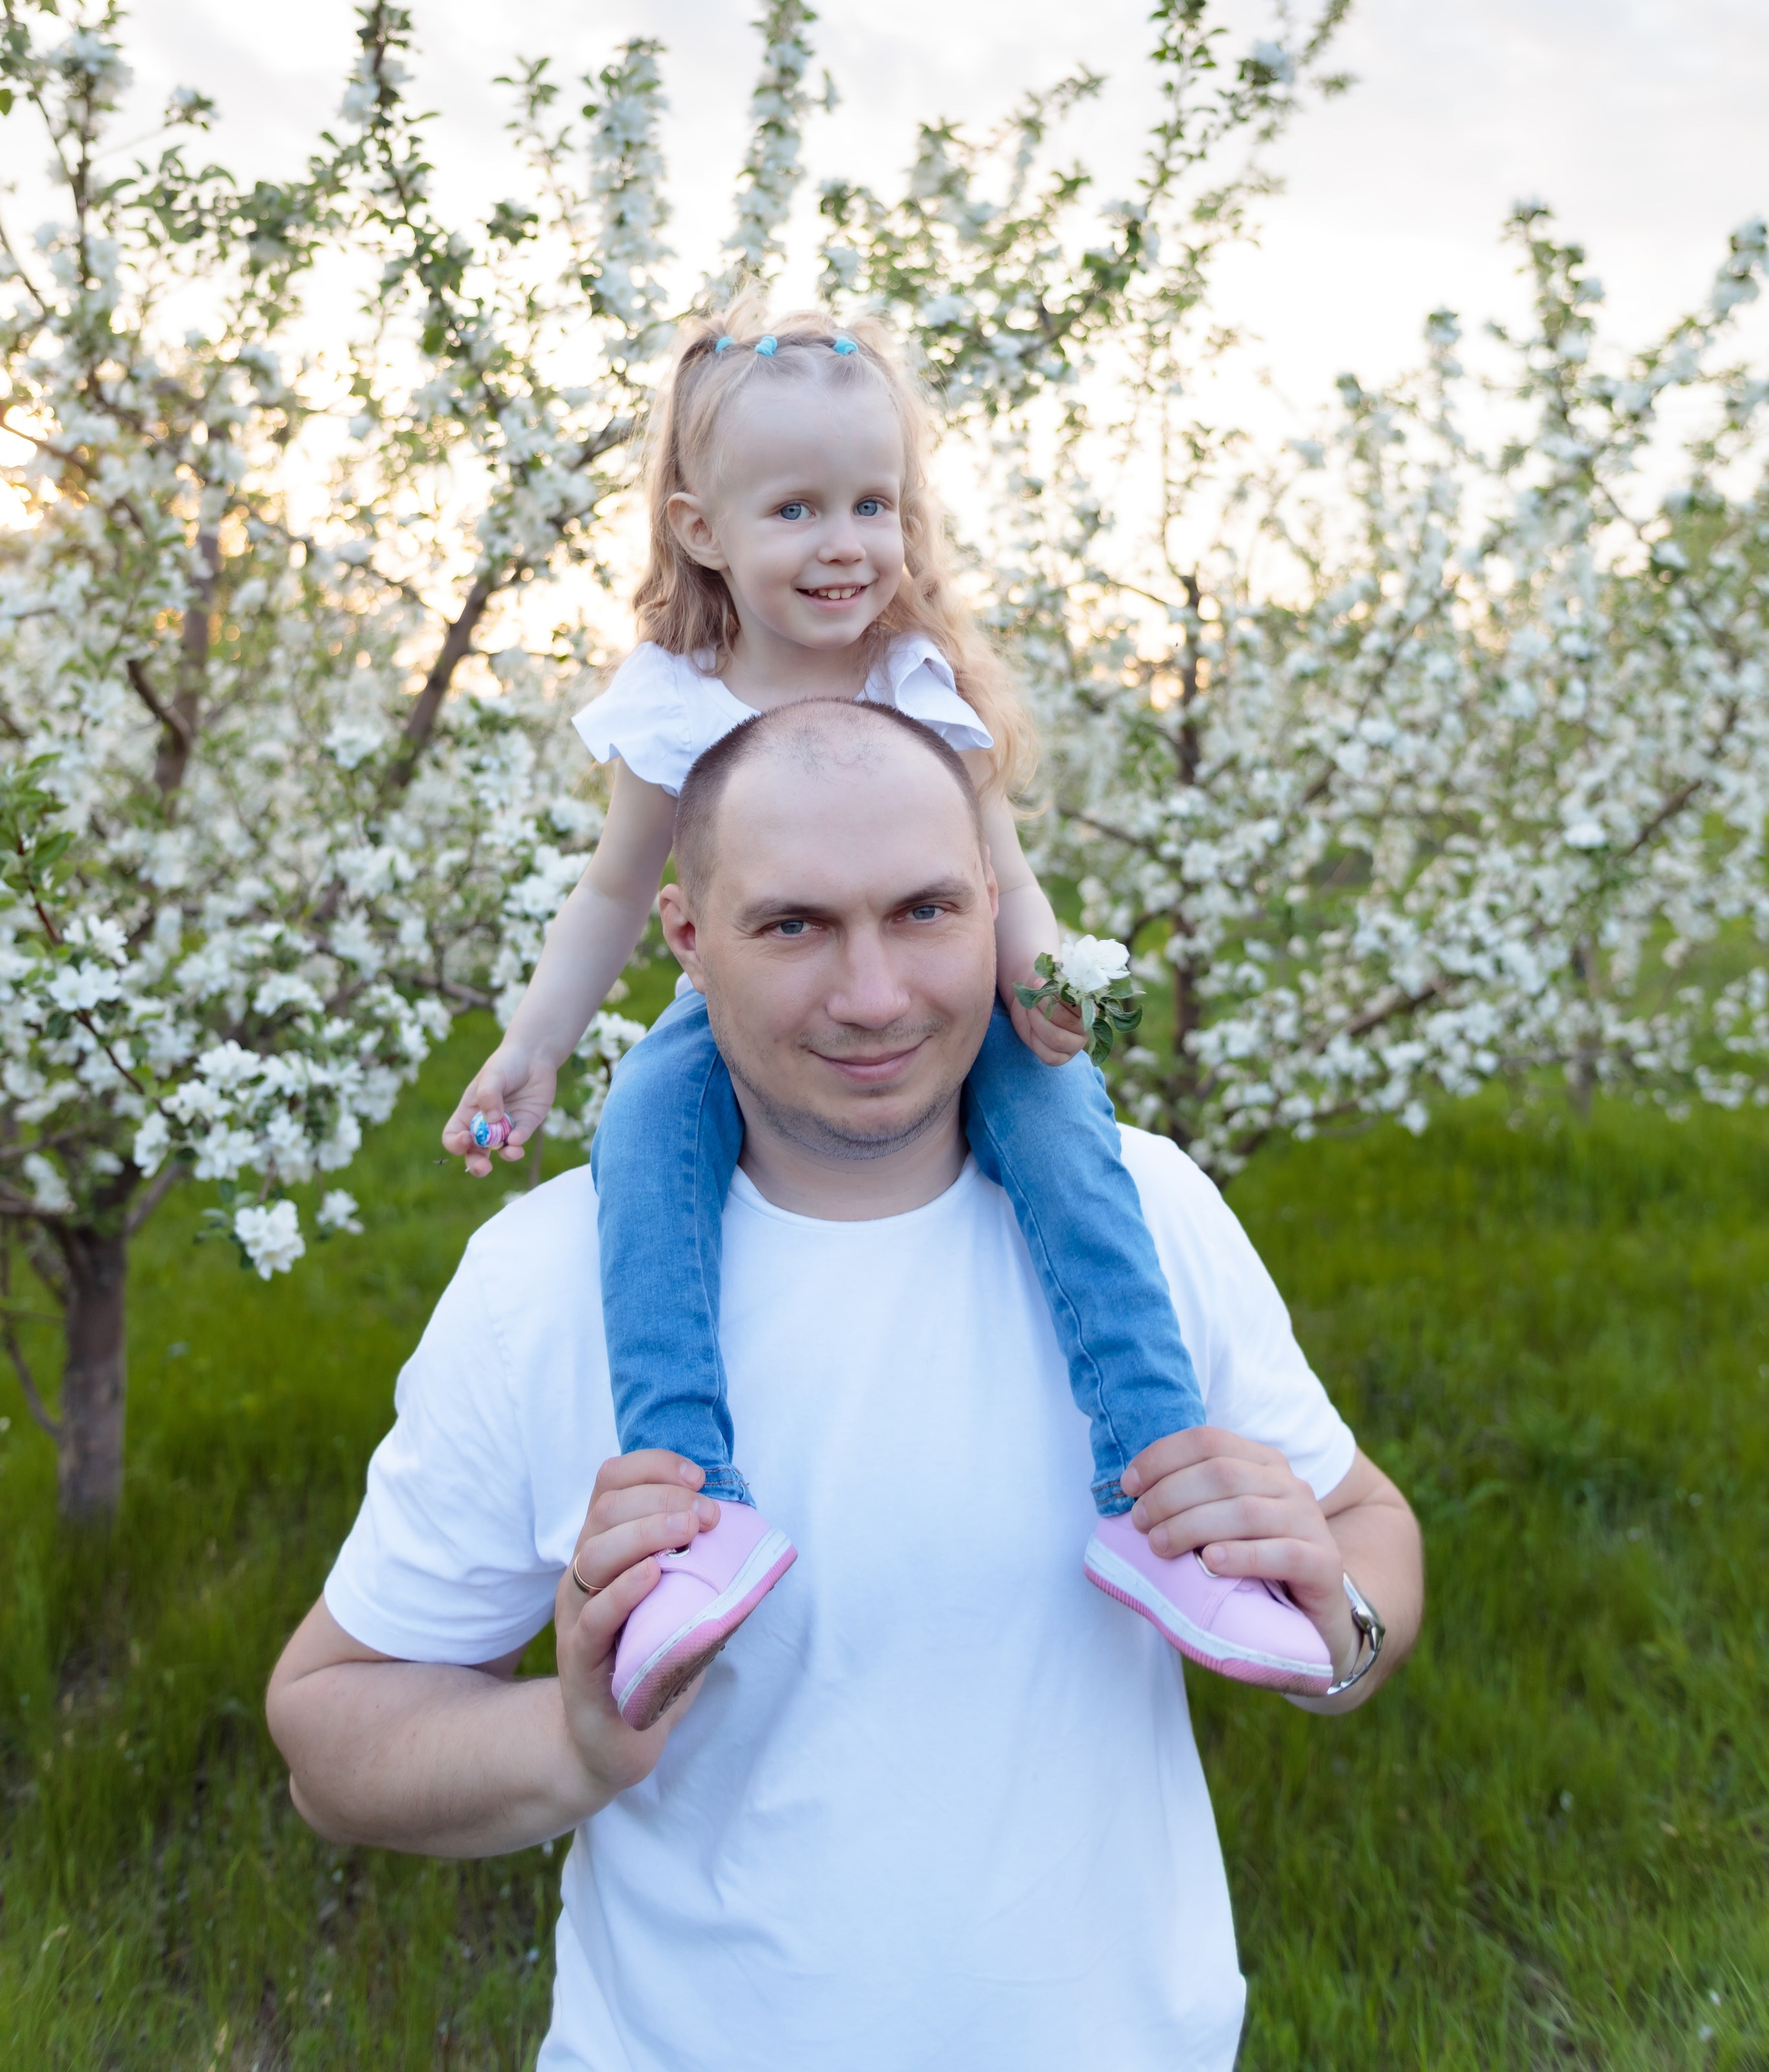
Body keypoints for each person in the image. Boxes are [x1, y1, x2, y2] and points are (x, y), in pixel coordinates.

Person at [269, 698, 1423, 2072]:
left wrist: (1338, 1625)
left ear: (993, 900)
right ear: (686, 937)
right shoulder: (542, 1282)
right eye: (793, 926)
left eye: (925, 912)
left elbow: (1367, 1529)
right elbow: (330, 1733)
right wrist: (575, 1743)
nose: (873, 996)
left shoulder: (1147, 1212)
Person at [440, 305, 1302, 1722]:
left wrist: (1040, 984)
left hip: (950, 993)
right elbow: (611, 894)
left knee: (1072, 1148)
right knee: (643, 1143)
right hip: (742, 1020)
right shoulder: (676, 703)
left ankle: (1157, 1494)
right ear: (701, 529)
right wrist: (532, 1048)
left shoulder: (918, 684)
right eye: (794, 509)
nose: (843, 543)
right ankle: (691, 1522)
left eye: (872, 505)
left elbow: (1000, 873)